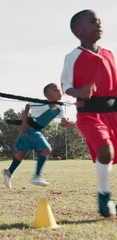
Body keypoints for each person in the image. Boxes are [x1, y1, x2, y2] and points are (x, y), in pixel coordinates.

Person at [61, 9, 117, 217]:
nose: (99, 24)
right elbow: (66, 86)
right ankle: (104, 195)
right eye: (93, 22)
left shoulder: (110, 54)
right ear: (79, 30)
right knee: (105, 151)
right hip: (90, 114)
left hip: (114, 114)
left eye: (100, 21)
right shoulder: (73, 57)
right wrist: (80, 92)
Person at [2, 83, 76, 189]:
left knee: (21, 153)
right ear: (48, 95)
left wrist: (79, 126)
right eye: (55, 90)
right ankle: (36, 176)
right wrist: (24, 122)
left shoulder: (60, 108)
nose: (60, 92)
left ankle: (8, 172)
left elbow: (65, 123)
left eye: (59, 90)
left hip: (33, 131)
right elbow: (28, 106)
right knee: (46, 149)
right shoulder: (43, 104)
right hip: (30, 130)